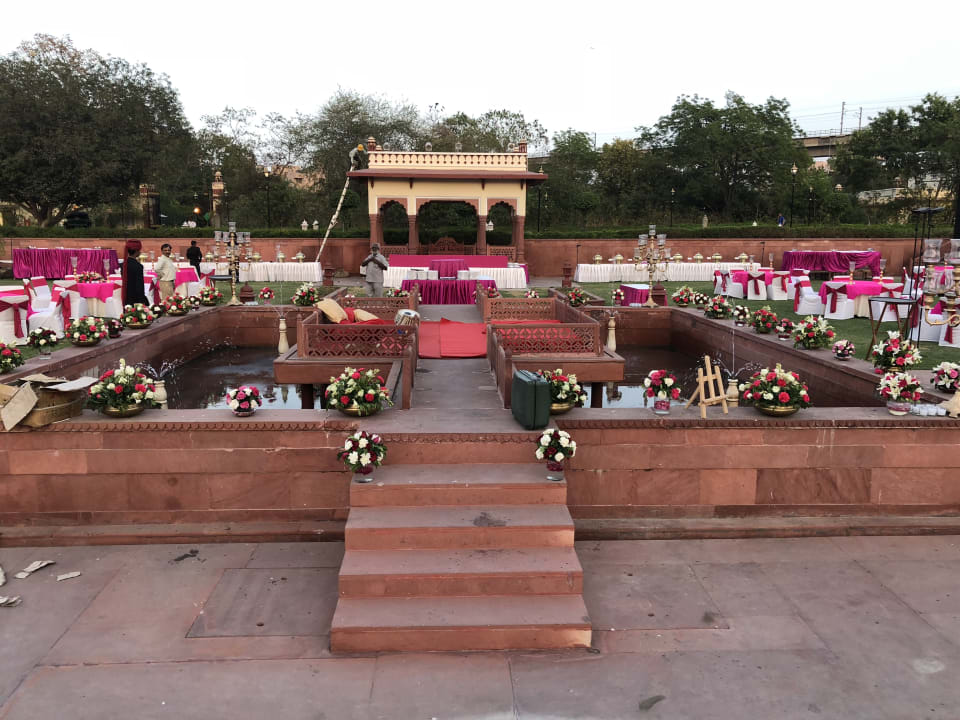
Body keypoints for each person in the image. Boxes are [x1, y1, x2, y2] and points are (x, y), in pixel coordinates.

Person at [122, 239, 149, 306]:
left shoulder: (123, 264)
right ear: (137, 251)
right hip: (136, 298)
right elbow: (139, 285)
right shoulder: (138, 266)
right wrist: (142, 300)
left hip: (126, 295)